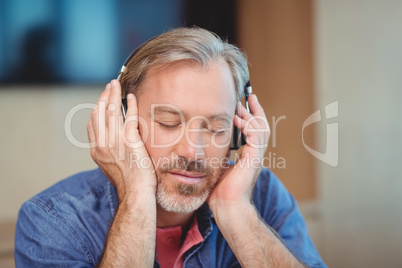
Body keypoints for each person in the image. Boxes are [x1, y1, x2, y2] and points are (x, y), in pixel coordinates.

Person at [15, 27, 326, 267]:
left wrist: (236, 210)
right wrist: (136, 195)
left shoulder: (264, 195)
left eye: (217, 128)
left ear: (236, 133)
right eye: (168, 123)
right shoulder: (52, 220)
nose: (194, 153)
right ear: (125, 121)